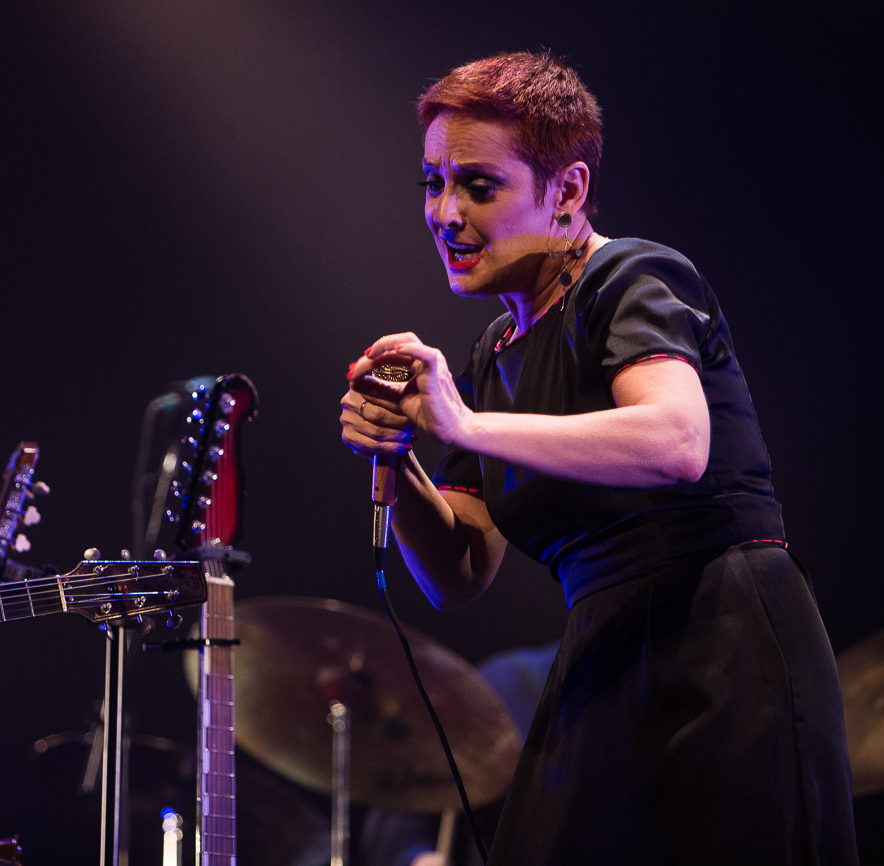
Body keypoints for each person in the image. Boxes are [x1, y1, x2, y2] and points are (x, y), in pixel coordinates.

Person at [339, 52, 856, 865]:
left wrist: (463, 424)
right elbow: (457, 574)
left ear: (568, 191)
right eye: (433, 184)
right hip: (603, 652)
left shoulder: (630, 275)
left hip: (719, 641)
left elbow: (676, 441)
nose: (444, 213)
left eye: (478, 186)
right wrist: (395, 453)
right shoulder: (493, 354)